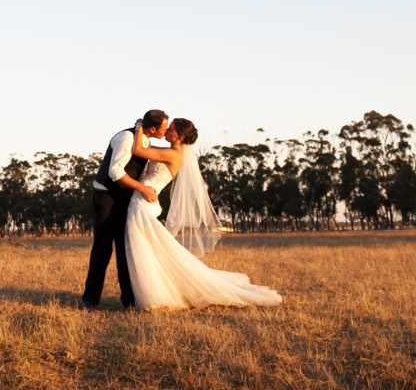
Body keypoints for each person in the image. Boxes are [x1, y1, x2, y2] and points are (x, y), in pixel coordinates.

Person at [123, 118, 283, 311]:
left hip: (142, 205)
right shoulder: (170, 151)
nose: (166, 130)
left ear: (179, 137)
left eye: (171, 129)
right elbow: (144, 147)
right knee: (149, 250)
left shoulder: (173, 153)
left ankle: (154, 296)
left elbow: (138, 150)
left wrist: (140, 127)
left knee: (148, 250)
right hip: (141, 202)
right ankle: (151, 292)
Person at [81, 109, 170, 310]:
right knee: (102, 249)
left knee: (126, 249)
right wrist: (143, 189)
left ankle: (128, 300)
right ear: (153, 128)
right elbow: (115, 172)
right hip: (107, 197)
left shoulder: (143, 139)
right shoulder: (127, 138)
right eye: (164, 128)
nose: (165, 132)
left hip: (125, 199)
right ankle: (90, 300)